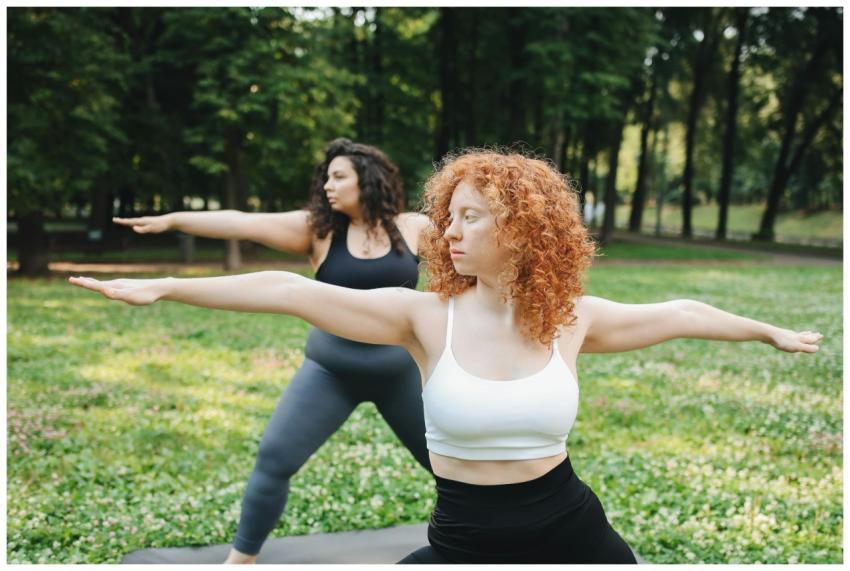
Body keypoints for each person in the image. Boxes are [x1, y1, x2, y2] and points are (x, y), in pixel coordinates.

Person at [71, 149, 823, 564]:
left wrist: (769, 331)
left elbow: (683, 311)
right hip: (463, 539)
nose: (450, 233)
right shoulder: (424, 318)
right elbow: (283, 289)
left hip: (572, 531)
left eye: (471, 218)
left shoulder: (572, 319)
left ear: (525, 232)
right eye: (447, 216)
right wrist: (165, 284)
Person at [114, 138, 432, 564]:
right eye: (326, 179)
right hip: (331, 371)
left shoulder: (414, 228)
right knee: (275, 458)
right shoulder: (317, 230)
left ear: (368, 180)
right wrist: (172, 220)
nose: (327, 187)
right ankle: (241, 560)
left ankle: (488, 541)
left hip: (401, 371)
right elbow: (239, 222)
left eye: (339, 177)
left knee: (454, 463)